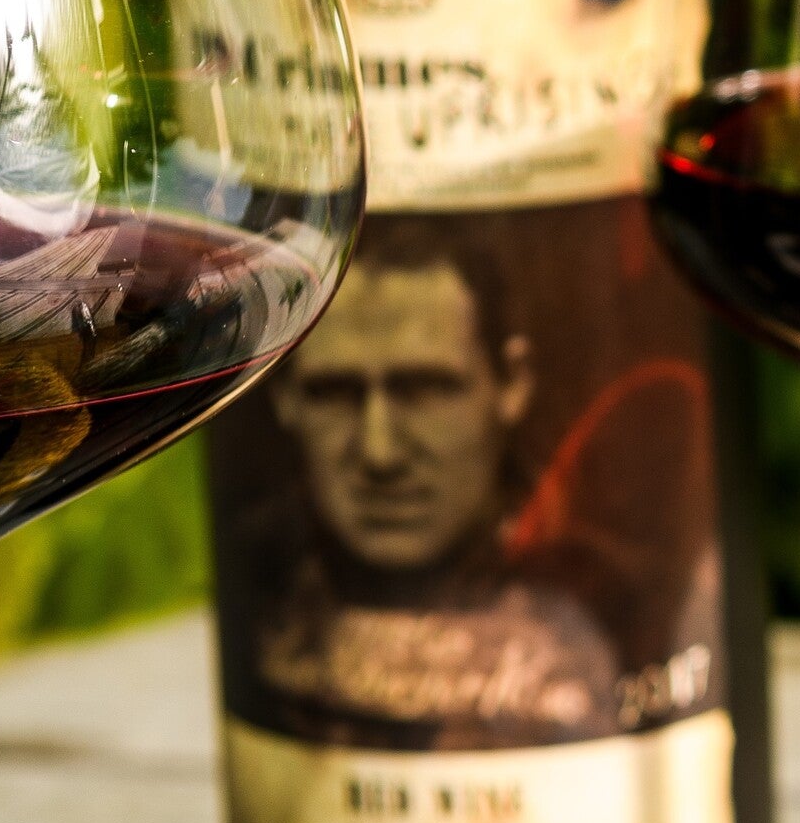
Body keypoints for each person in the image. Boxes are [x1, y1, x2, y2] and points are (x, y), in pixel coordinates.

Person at [250, 220, 621, 744]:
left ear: (511, 382)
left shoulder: (627, 596)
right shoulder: (257, 575)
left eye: (425, 389)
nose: (379, 452)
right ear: (283, 397)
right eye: (333, 393)